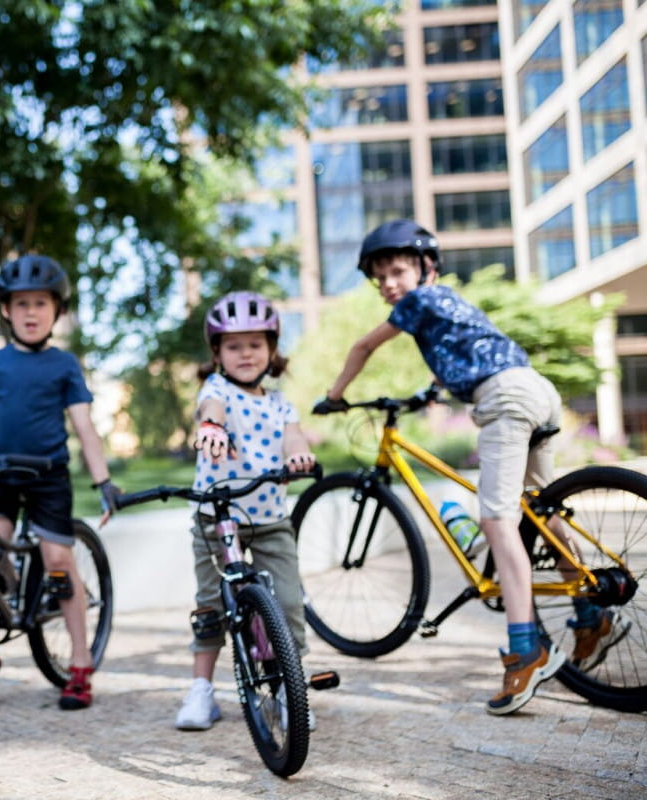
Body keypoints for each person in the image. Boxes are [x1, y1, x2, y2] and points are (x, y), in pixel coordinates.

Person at [316, 219, 629, 715]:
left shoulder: (418, 301)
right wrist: (430, 392)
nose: (389, 284)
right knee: (541, 510)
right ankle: (591, 615)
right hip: (534, 389)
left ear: (426, 268)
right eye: (380, 279)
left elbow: (362, 347)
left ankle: (525, 651)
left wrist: (334, 397)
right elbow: (469, 351)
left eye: (397, 272)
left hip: (505, 397)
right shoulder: (450, 305)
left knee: (497, 520)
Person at [0, 254, 120, 711]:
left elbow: (84, 427)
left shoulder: (64, 365)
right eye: (22, 303)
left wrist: (103, 480)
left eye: (41, 303)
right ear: (6, 310)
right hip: (2, 474)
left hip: (48, 477)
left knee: (59, 561)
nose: (31, 312)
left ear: (57, 310)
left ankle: (80, 663)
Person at [174, 291, 318, 731]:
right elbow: (211, 410)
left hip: (270, 519)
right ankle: (202, 690)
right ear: (217, 353)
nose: (246, 354)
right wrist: (211, 427)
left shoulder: (280, 403)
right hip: (217, 518)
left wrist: (298, 455)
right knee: (210, 604)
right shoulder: (216, 390)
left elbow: (294, 436)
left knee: (289, 603)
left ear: (272, 350)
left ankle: (292, 689)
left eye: (255, 344)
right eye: (234, 346)